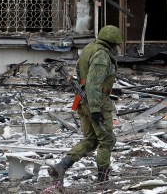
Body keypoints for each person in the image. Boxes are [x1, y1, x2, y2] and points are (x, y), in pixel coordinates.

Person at [49, 24, 122, 183]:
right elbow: (94, 83)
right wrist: (96, 109)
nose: (117, 48)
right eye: (116, 44)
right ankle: (102, 180)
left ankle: (61, 166)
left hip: (83, 101)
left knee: (91, 139)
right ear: (111, 42)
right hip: (96, 103)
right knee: (107, 140)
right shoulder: (102, 55)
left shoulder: (89, 49)